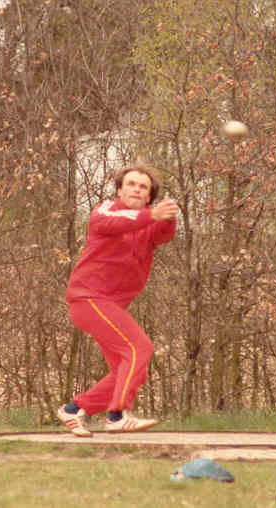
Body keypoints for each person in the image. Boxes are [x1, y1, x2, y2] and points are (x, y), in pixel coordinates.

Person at [57, 163, 178, 436]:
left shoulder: (147, 222)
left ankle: (73, 410)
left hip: (109, 306)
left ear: (149, 197)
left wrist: (168, 217)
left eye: (143, 187)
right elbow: (108, 223)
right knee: (139, 349)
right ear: (120, 190)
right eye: (131, 184)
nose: (136, 189)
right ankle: (117, 415)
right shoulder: (105, 211)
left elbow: (163, 235)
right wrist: (151, 216)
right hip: (88, 299)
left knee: (130, 369)